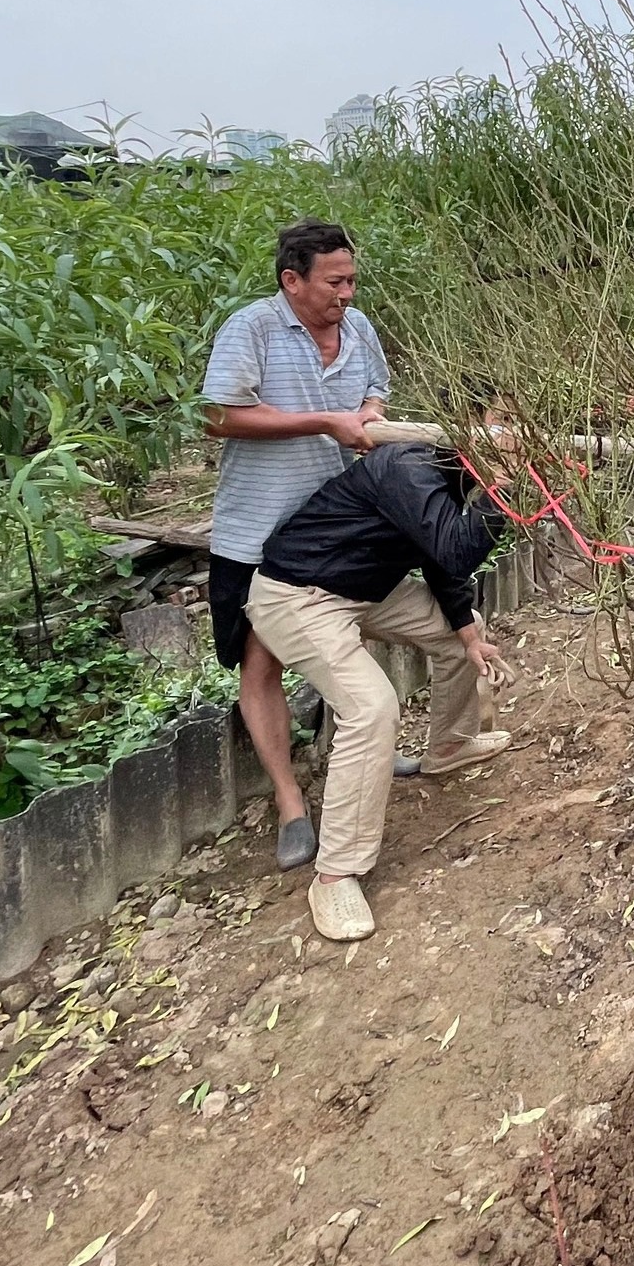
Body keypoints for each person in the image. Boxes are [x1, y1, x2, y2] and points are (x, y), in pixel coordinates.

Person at [244, 440, 511, 940]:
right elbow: (457, 546)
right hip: (299, 596)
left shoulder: (449, 471)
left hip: (364, 589)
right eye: (505, 421)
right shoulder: (409, 466)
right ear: (470, 421)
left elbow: (441, 557)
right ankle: (334, 875)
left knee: (460, 635)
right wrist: (509, 487)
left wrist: (469, 635)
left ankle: (449, 746)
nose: (514, 434)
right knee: (371, 709)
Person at [201, 221, 390, 871]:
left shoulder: (357, 327)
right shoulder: (251, 328)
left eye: (352, 278)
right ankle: (289, 804)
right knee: (263, 664)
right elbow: (218, 414)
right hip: (256, 533)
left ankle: (362, 757)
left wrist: (367, 412)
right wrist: (321, 422)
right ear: (292, 280)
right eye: (335, 281)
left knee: (346, 639)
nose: (347, 292)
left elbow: (376, 390)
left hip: (336, 525)